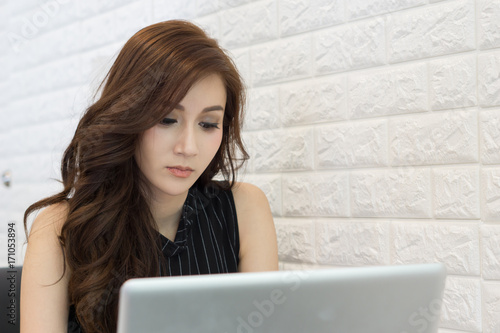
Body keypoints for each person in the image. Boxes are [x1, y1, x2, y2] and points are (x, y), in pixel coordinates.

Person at [20, 20, 278, 333]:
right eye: (167, 119)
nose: (188, 147)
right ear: (128, 115)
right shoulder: (59, 229)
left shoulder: (244, 208)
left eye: (208, 124)